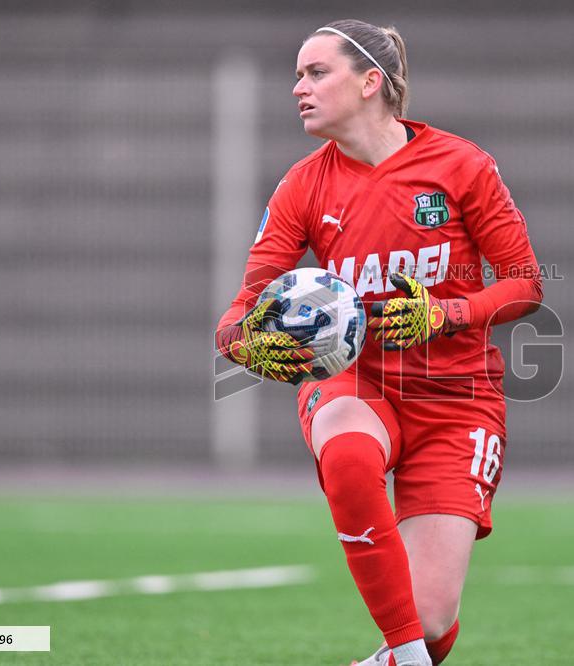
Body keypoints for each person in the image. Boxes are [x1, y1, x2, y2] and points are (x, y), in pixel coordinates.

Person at [215, 19, 543, 666]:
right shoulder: (303, 184)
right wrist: (239, 343)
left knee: (432, 621)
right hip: (356, 379)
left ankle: (406, 654)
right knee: (347, 454)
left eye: (316, 73)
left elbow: (525, 283)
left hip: (456, 397)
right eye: (297, 75)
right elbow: (242, 307)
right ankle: (407, 655)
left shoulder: (462, 165)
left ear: (370, 82)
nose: (298, 88)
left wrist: (444, 314)